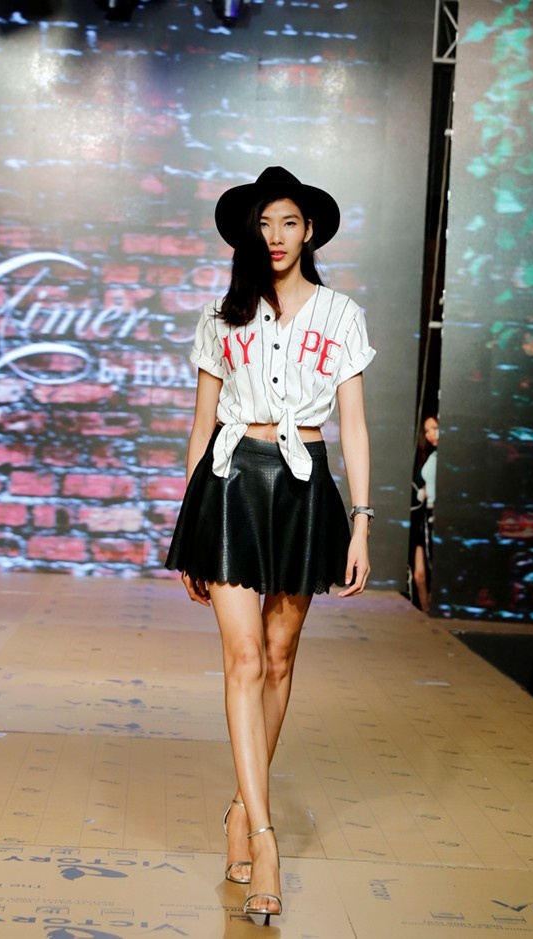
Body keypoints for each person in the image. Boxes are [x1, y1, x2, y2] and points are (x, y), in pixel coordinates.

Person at [165, 166, 376, 925]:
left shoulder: (341, 314)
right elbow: (201, 425)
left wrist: (361, 520)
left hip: (302, 488)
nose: (276, 237)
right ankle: (264, 836)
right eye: (264, 224)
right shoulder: (222, 317)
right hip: (229, 487)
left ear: (309, 230)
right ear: (249, 235)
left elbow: (353, 424)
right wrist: (190, 529)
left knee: (281, 658)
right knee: (245, 659)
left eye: (288, 222)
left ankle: (237, 808)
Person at [409, 415, 438, 613]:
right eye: (427, 431)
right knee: (419, 574)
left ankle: (432, 615)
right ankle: (426, 614)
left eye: (434, 428)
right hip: (424, 517)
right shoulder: (430, 456)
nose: (430, 434)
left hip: (435, 517)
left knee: (431, 571)